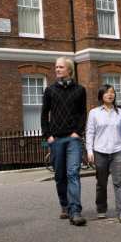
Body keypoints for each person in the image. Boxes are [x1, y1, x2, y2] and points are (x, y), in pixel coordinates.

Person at [41, 57, 88, 226]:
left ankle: (75, 211)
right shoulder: (50, 91)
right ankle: (65, 205)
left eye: (61, 67)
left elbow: (83, 114)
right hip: (56, 139)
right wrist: (48, 136)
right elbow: (44, 114)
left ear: (69, 70)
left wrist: (78, 132)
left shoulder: (80, 90)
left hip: (73, 139)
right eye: (56, 67)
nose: (57, 69)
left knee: (73, 173)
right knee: (59, 175)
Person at [86, 85, 121, 223]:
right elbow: (90, 132)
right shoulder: (94, 113)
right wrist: (89, 150)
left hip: (117, 151)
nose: (110, 95)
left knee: (119, 183)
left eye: (112, 92)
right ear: (101, 96)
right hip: (100, 152)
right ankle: (101, 209)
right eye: (106, 92)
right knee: (101, 183)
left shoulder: (120, 112)